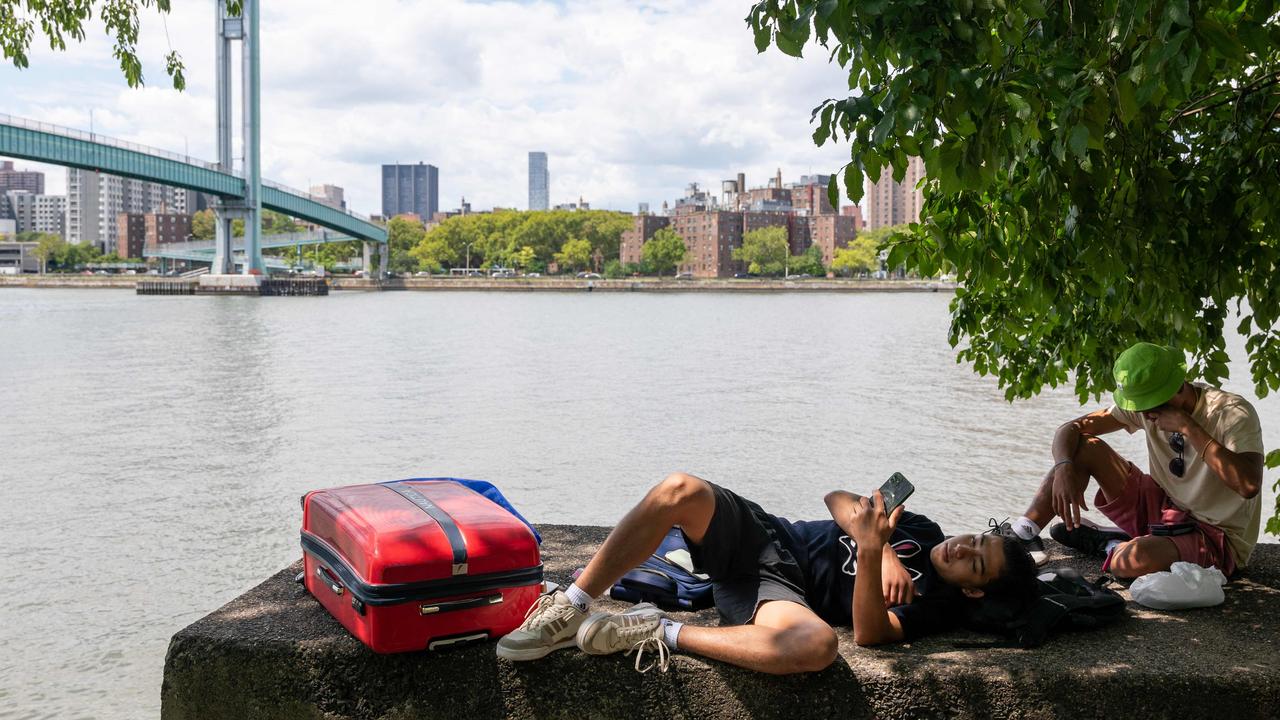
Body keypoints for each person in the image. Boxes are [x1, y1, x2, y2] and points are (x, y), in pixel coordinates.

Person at [496, 473, 1037, 674]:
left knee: (815, 647)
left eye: (977, 560)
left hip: (777, 591)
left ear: (973, 587)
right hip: (766, 535)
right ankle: (574, 603)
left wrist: (871, 558)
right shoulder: (922, 526)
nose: (966, 546)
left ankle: (654, 629)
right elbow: (840, 498)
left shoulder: (940, 605)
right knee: (679, 490)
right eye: (979, 538)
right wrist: (887, 547)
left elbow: (871, 635)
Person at [1004, 342, 1265, 579]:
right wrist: (1063, 467)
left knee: (1125, 563)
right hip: (1165, 510)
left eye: (1149, 407)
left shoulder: (1232, 413)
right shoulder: (1146, 408)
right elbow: (1071, 429)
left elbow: (1248, 485)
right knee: (1083, 448)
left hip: (1214, 537)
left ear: (1177, 388)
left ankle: (1113, 545)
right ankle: (1022, 534)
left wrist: (1189, 428)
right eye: (1138, 407)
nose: (1144, 415)